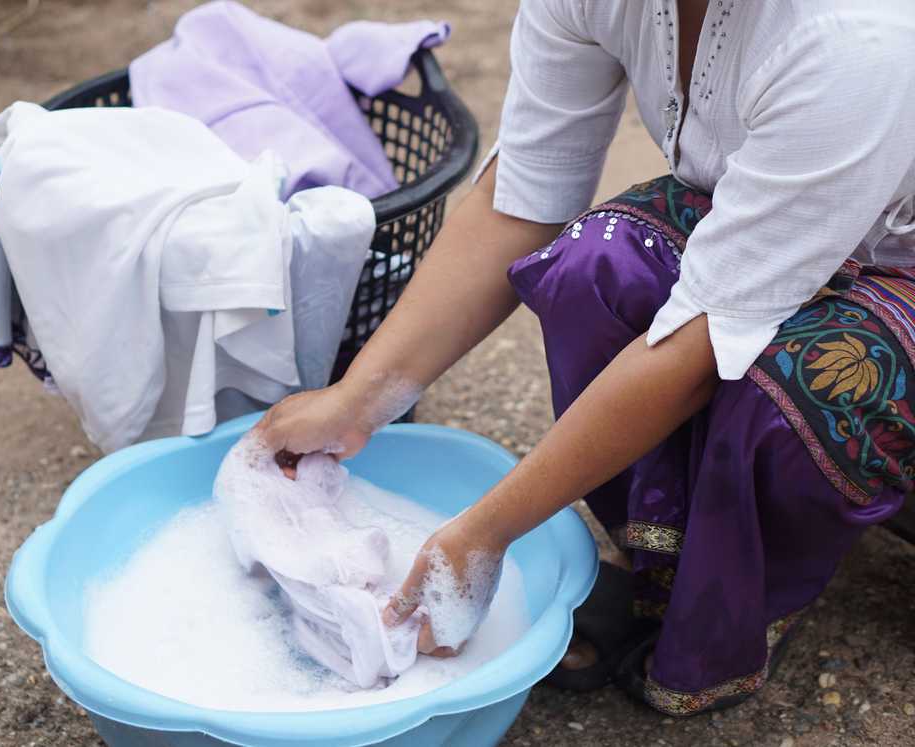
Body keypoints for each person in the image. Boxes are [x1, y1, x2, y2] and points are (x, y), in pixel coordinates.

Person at [258, 0, 915, 716]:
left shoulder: (855, 32)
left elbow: (699, 338)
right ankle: (676, 566)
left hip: (897, 263)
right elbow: (523, 196)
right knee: (594, 265)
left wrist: (485, 533)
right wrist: (359, 399)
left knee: (797, 388)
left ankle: (743, 601)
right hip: (778, 224)